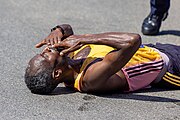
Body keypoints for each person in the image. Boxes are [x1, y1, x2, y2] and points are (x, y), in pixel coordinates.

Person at [25, 24, 180, 94]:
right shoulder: (90, 78)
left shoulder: (67, 59)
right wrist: (84, 39)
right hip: (171, 68)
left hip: (156, 49)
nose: (47, 49)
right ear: (57, 73)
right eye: (45, 56)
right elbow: (132, 40)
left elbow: (68, 30)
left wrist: (57, 30)